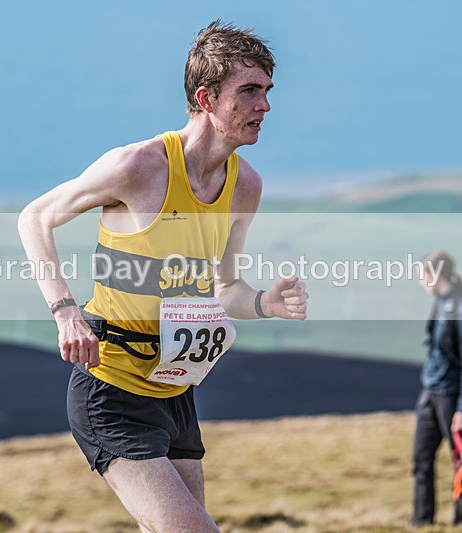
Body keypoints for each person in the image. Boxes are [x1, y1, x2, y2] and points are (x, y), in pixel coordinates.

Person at [17, 21, 308, 532]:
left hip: (175, 393)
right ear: (206, 98)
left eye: (267, 91)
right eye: (249, 92)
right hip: (111, 390)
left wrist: (264, 303)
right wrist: (65, 312)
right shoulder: (139, 166)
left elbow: (225, 290)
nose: (265, 106)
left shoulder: (246, 186)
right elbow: (35, 218)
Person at [412, 250, 462, 527]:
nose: (421, 282)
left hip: (451, 396)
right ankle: (421, 522)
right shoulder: (441, 303)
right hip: (430, 392)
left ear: (436, 275)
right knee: (421, 459)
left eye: (423, 275)